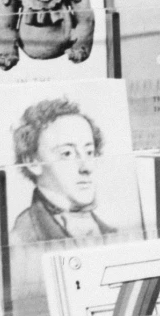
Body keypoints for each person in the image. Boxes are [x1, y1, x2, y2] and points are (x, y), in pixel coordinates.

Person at [6, 98, 111, 249]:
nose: (86, 167)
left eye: (89, 152)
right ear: (33, 162)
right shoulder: (23, 238)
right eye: (67, 153)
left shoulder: (109, 231)